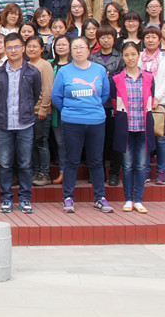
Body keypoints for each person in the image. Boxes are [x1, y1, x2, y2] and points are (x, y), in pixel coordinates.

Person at [51, 37, 113, 214]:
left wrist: (92, 107)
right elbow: (56, 96)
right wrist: (69, 110)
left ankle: (99, 197)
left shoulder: (99, 70)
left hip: (96, 121)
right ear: (71, 51)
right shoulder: (64, 71)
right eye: (75, 48)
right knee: (71, 160)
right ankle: (68, 197)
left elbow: (105, 94)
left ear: (89, 50)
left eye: (82, 47)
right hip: (72, 121)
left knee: (96, 160)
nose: (78, 51)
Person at [0, 33, 41, 213]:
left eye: (17, 47)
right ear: (4, 49)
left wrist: (26, 109)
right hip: (4, 124)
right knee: (4, 163)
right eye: (9, 47)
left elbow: (35, 95)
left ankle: (25, 198)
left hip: (25, 124)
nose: (13, 51)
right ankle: (6, 198)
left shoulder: (33, 72)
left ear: (23, 48)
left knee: (25, 163)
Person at [111, 42, 155, 214]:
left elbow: (151, 101)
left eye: (133, 54)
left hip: (143, 127)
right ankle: (128, 199)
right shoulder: (117, 79)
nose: (130, 58)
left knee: (141, 165)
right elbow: (114, 104)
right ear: (123, 57)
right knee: (128, 165)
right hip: (126, 127)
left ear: (139, 56)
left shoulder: (149, 77)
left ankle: (139, 200)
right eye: (127, 55)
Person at [90, 24, 125, 187]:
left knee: (114, 139)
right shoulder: (92, 58)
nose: (105, 40)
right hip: (96, 104)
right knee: (97, 140)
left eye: (109, 37)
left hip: (115, 104)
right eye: (102, 37)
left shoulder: (120, 57)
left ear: (114, 39)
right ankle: (99, 172)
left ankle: (114, 173)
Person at [139, 26, 165, 185]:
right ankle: (145, 171)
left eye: (154, 37)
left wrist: (156, 98)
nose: (150, 40)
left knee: (160, 138)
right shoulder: (139, 57)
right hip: (141, 103)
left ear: (159, 40)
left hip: (161, 103)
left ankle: (161, 172)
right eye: (147, 37)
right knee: (144, 138)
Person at [26, 36, 54, 187]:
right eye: (29, 46)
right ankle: (36, 172)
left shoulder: (45, 65)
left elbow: (48, 88)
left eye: (35, 46)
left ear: (42, 49)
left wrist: (44, 108)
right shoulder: (26, 65)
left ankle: (44, 173)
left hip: (41, 111)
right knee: (32, 143)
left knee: (41, 142)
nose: (31, 49)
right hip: (28, 112)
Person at [49, 34, 72, 184]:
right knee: (61, 142)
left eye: (64, 44)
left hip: (73, 110)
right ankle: (63, 171)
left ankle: (71, 172)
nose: (61, 47)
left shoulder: (75, 64)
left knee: (73, 142)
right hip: (55, 110)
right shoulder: (50, 64)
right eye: (58, 44)